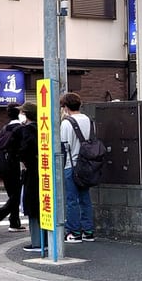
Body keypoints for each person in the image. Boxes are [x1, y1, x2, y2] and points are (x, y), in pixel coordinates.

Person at [59, 91, 94, 242]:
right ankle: (88, 231)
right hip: (87, 165)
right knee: (85, 198)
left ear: (65, 107)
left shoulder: (67, 123)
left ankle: (74, 232)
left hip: (71, 166)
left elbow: (63, 146)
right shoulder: (89, 120)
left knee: (72, 200)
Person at [0, 104, 24, 231]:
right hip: (16, 167)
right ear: (20, 113)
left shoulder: (4, 129)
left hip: (4, 167)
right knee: (17, 195)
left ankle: (14, 223)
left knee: (13, 195)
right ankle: (0, 212)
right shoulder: (20, 129)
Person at [18, 102, 43, 252]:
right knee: (43, 206)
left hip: (32, 172)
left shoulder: (27, 130)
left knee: (33, 206)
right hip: (44, 170)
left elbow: (24, 150)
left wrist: (23, 161)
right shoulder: (43, 127)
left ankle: (37, 243)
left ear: (26, 114)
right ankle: (46, 241)